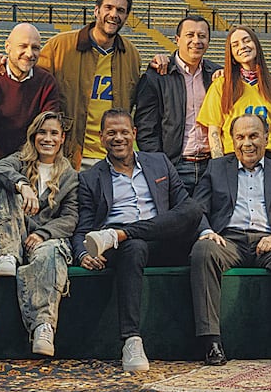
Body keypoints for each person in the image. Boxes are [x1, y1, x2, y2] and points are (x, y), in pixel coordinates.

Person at [73, 108, 203, 372]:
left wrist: (207, 231)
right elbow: (82, 228)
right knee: (133, 246)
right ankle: (132, 340)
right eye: (111, 133)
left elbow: (185, 207)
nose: (118, 138)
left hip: (162, 239)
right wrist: (83, 254)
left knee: (193, 209)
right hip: (125, 249)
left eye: (123, 132)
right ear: (101, 138)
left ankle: (122, 233)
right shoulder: (90, 178)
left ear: (134, 134)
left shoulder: (160, 162)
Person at [190, 114, 271, 368]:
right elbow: (196, 210)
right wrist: (207, 231)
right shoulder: (216, 169)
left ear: (266, 138)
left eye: (254, 136)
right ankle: (211, 342)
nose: (247, 143)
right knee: (203, 249)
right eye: (240, 137)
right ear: (232, 141)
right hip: (228, 241)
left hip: (270, 242)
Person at [0, 111, 78, 357]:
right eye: (42, 132)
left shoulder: (69, 176)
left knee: (53, 251)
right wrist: (22, 185)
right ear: (33, 135)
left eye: (53, 133)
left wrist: (44, 234)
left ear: (62, 138)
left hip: (42, 239)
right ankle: (7, 254)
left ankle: (43, 327)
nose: (47, 138)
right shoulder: (19, 160)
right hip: (12, 229)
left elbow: (70, 218)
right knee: (4, 188)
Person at [40, 0, 142, 169]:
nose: (114, 14)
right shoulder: (60, 46)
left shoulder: (132, 56)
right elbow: (31, 82)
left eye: (120, 10)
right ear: (96, 10)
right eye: (108, 8)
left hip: (111, 159)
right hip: (68, 157)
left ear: (126, 16)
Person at [0, 23, 62, 222]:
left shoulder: (45, 82)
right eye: (23, 46)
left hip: (27, 167)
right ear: (7, 47)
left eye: (35, 47)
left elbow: (47, 128)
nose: (29, 53)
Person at [133, 14, 222, 191]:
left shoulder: (217, 75)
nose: (196, 41)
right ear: (177, 39)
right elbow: (146, 129)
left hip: (211, 165)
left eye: (202, 36)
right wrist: (160, 165)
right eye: (190, 35)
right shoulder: (157, 76)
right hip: (175, 166)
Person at [198, 25, 271, 165]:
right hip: (235, 157)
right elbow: (214, 131)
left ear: (256, 44)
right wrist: (219, 167)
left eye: (246, 40)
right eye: (235, 44)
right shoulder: (220, 86)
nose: (243, 46)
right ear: (231, 53)